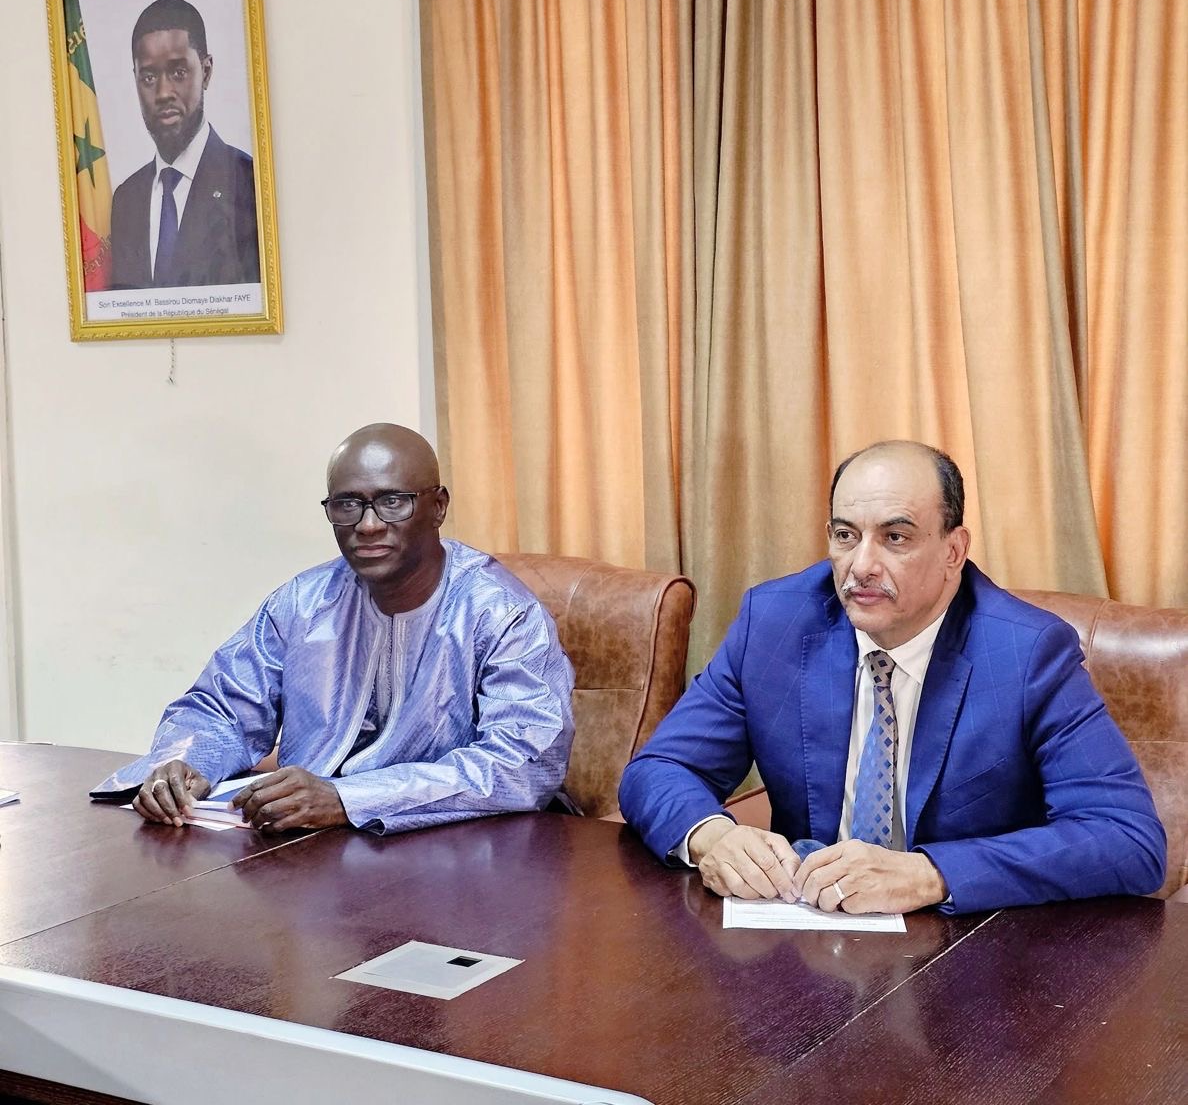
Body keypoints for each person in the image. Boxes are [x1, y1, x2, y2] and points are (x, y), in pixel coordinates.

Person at [619, 441, 1166, 914]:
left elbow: (1128, 838)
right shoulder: (775, 623)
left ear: (953, 551)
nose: (861, 566)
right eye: (845, 535)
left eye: (895, 538)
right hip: (806, 943)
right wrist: (712, 836)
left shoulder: (1025, 653)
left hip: (968, 956)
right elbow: (660, 769)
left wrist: (932, 874)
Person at [92, 424, 575, 834]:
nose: (368, 525)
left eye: (393, 502)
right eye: (347, 504)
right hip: (307, 848)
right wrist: (185, 762)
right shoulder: (303, 603)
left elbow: (523, 762)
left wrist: (348, 799)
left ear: (438, 506)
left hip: (461, 853)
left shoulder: (501, 613)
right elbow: (222, 708)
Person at [108, 0, 260, 290]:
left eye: (178, 72)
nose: (163, 92)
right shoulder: (126, 200)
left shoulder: (248, 183)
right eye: (148, 77)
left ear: (206, 71)